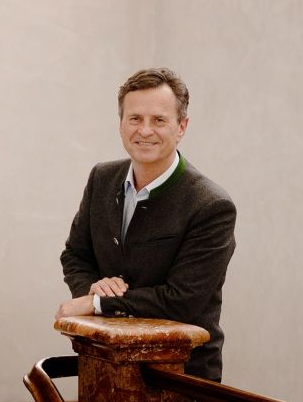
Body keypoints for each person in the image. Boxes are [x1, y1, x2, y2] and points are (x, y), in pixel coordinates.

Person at [55, 68, 236, 382]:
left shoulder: (212, 206)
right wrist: (95, 287)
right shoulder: (101, 178)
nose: (145, 131)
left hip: (180, 377)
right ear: (121, 123)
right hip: (104, 364)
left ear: (182, 127)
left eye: (159, 120)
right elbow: (75, 255)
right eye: (135, 119)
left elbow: (181, 301)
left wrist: (98, 303)